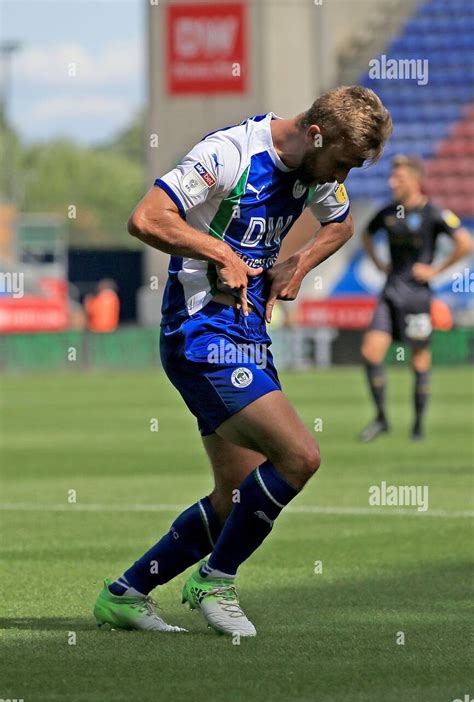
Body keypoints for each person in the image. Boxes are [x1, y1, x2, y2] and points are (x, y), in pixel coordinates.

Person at [94, 86, 392, 636]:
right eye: (344, 163)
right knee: (300, 457)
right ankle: (216, 579)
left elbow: (341, 224)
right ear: (316, 134)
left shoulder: (320, 169)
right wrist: (220, 251)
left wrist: (299, 263)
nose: (343, 178)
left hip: (249, 333)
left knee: (234, 502)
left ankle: (126, 594)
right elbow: (146, 218)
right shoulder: (229, 154)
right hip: (200, 332)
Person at [359, 155, 472, 442]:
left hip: (418, 297)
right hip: (390, 291)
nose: (391, 182)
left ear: (415, 180)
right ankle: (382, 418)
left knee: (419, 361)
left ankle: (418, 426)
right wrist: (377, 263)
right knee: (370, 353)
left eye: (398, 178)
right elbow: (366, 235)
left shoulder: (434, 213)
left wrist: (435, 270)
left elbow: (465, 243)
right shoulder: (387, 212)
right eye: (391, 177)